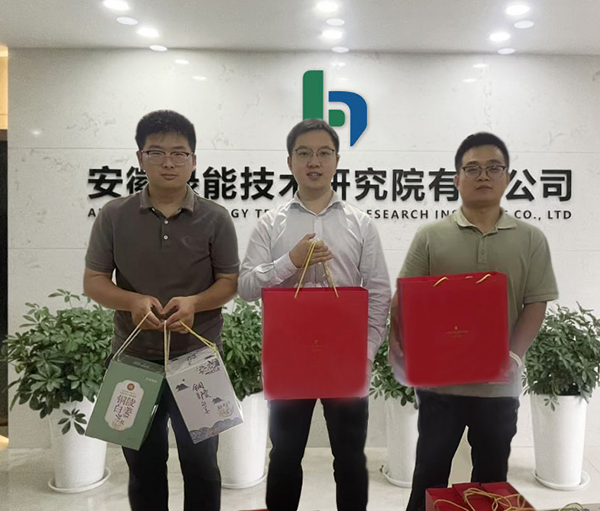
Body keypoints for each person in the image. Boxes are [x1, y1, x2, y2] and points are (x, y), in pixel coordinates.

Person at [392, 132, 559, 511]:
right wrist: (406, 346)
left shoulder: (531, 239)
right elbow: (406, 298)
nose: (483, 175)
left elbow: (536, 302)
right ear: (457, 179)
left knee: (491, 484)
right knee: (429, 475)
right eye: (472, 169)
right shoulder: (430, 236)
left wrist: (513, 357)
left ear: (507, 177)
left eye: (493, 168)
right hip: (440, 387)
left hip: (498, 389)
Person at [83, 110, 239, 511]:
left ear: (193, 160)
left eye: (179, 153)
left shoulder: (216, 218)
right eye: (157, 152)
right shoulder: (114, 215)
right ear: (140, 158)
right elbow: (94, 281)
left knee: (202, 467)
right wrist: (132, 301)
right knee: (143, 467)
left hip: (198, 361)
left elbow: (229, 281)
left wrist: (195, 303)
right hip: (133, 362)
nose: (168, 162)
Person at [238, 118, 391, 511]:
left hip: (346, 359)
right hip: (289, 359)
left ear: (337, 160)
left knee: (350, 459)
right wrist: (290, 261)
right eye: (304, 153)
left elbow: (378, 291)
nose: (314, 162)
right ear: (289, 161)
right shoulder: (270, 224)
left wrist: (367, 351)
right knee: (285, 456)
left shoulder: (361, 223)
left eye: (324, 153)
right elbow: (247, 287)